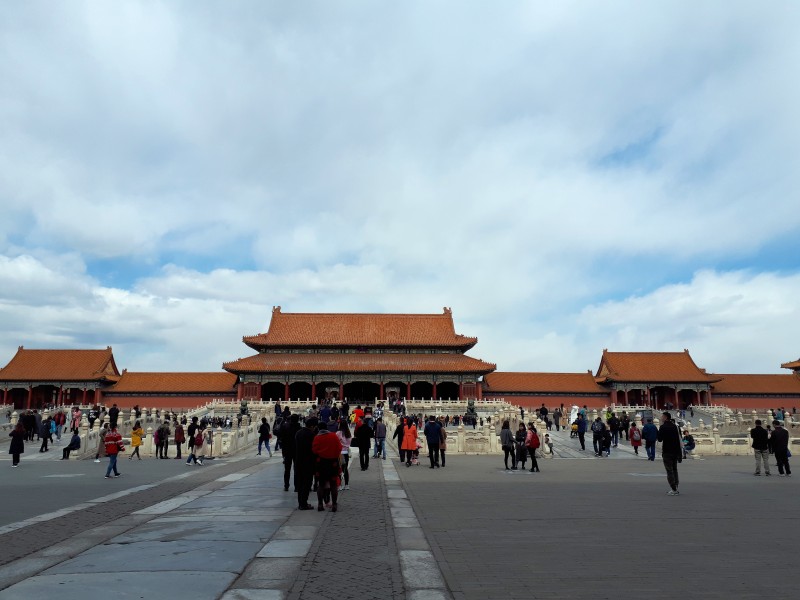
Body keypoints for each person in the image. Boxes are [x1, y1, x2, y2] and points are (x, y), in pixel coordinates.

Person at [312, 424, 342, 512]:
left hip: (321, 463)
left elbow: (314, 450)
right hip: (333, 463)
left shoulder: (317, 438)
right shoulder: (333, 436)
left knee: (321, 484)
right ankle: (334, 504)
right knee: (333, 484)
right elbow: (339, 448)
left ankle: (320, 504)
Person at [295, 417, 318, 510]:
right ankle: (304, 503)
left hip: (298, 461)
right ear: (311, 426)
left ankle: (300, 502)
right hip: (308, 462)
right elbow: (313, 450)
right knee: (307, 483)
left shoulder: (298, 433)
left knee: (300, 483)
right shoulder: (311, 435)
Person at [657, 412, 682, 495]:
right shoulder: (675, 426)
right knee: (675, 469)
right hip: (675, 451)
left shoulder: (663, 427)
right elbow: (678, 439)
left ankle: (674, 489)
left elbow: (660, 439)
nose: (661, 418)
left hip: (667, 451)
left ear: (665, 417)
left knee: (669, 470)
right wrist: (679, 453)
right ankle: (676, 486)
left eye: (662, 416)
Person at [280, 414, 302, 491]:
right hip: (297, 451)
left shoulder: (286, 427)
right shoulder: (300, 428)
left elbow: (282, 439)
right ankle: (296, 486)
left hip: (287, 450)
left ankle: (286, 485)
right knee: (296, 469)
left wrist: (283, 452)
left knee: (287, 469)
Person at [336, 420, 352, 491]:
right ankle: (346, 485)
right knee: (345, 469)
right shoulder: (348, 433)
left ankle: (339, 485)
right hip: (346, 452)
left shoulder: (338, 433)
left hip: (340, 453)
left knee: (339, 470)